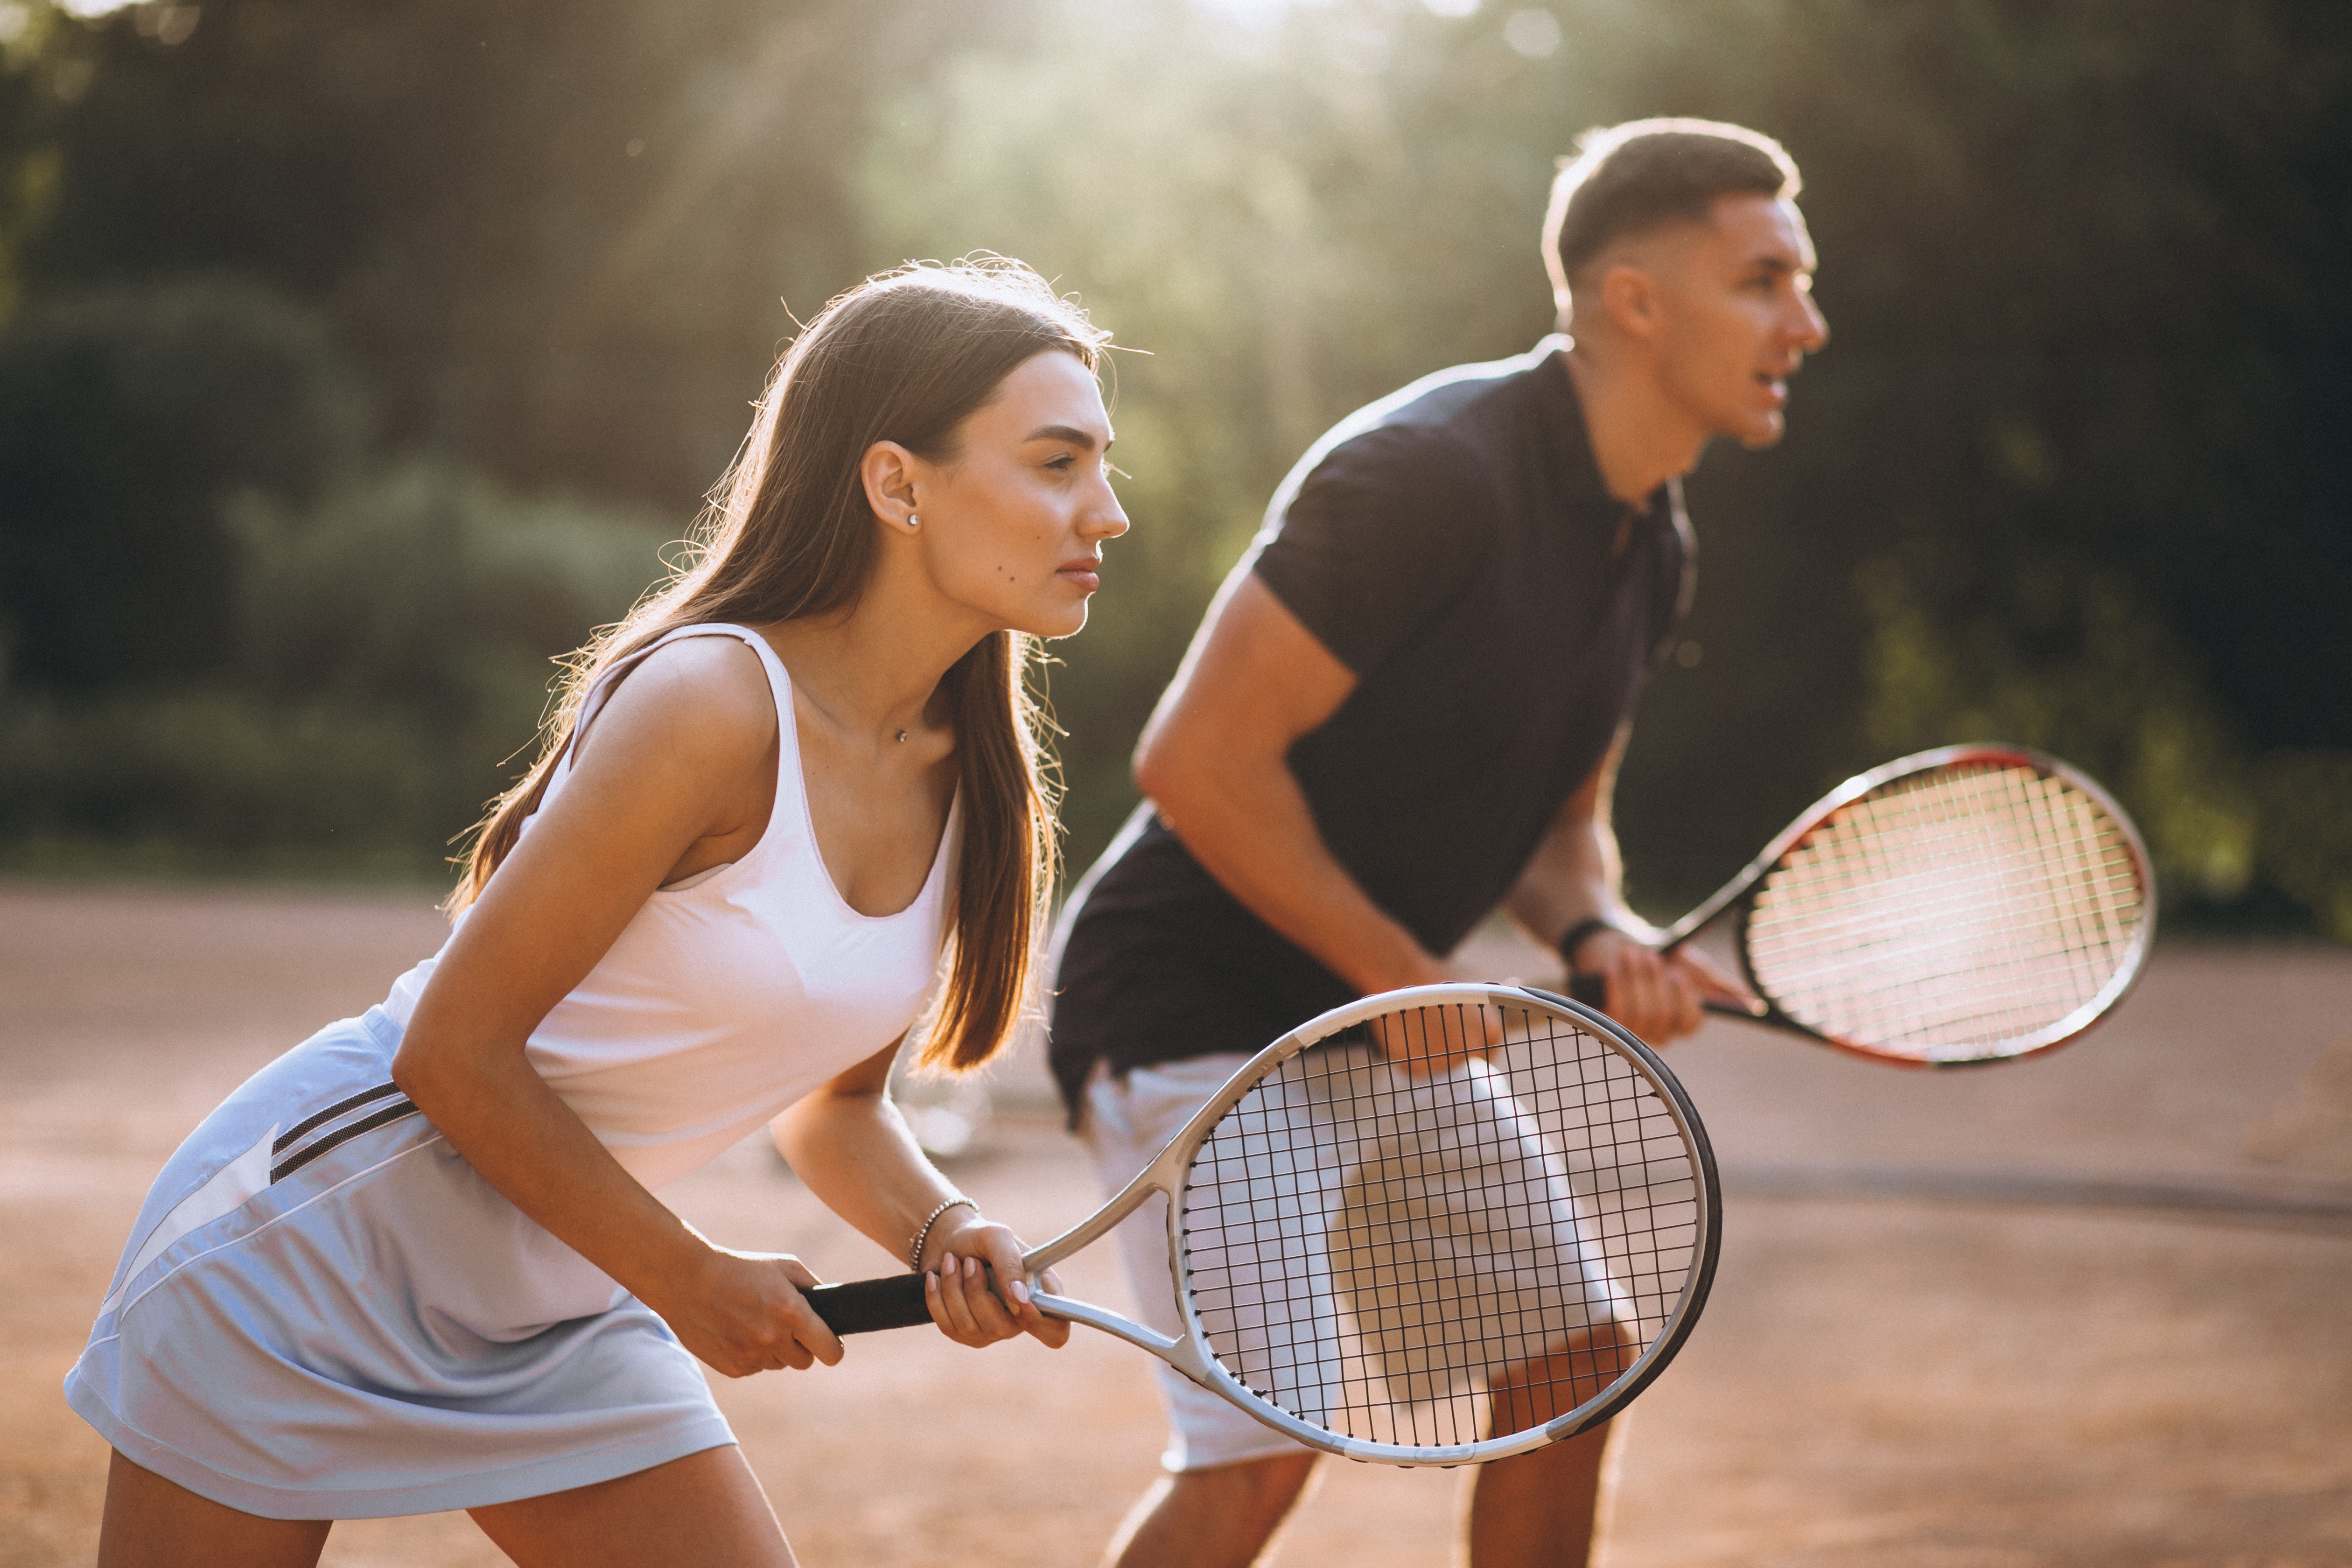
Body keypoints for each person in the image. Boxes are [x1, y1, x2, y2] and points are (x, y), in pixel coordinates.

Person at [66, 257, 1130, 1568]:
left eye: (1102, 465)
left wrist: (944, 1228)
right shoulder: (713, 706)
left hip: (561, 1293)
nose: (1110, 510)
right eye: (1058, 462)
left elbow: (837, 1107)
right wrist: (685, 1275)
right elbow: (448, 1052)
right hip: (307, 1252)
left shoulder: (967, 774)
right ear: (897, 482)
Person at [1048, 118, 1830, 1568]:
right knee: (1258, 1456)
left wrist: (1599, 929)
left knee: (1578, 1368)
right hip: (1191, 1014)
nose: (1808, 321)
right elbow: (1196, 761)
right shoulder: (1429, 472)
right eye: (1766, 280)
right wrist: (1391, 969)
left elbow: (1563, 825)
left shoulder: (1652, 540)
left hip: (1381, 1018)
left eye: (1802, 283)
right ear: (1635, 300)